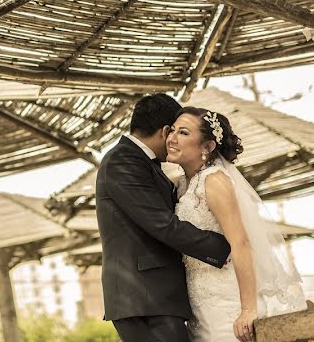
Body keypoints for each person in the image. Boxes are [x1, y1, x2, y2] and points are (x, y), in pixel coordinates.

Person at [96, 94, 231, 342]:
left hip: (155, 297)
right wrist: (222, 247)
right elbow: (161, 223)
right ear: (165, 130)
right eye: (175, 133)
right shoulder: (123, 160)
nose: (174, 141)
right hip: (144, 297)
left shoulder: (140, 161)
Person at [166, 107, 305, 342]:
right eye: (172, 130)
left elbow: (240, 243)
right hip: (200, 307)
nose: (172, 138)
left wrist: (248, 310)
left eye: (184, 133)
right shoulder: (181, 185)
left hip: (228, 302)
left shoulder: (214, 181)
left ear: (207, 147)